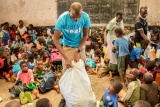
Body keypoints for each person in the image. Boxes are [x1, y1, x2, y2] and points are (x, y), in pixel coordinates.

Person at [53, 2, 91, 71]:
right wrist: (66, 58)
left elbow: (85, 35)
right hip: (68, 48)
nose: (76, 19)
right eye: (73, 17)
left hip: (80, 47)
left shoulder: (85, 17)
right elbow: (55, 39)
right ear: (69, 11)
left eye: (79, 17)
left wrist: (78, 50)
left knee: (81, 70)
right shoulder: (62, 19)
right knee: (68, 71)